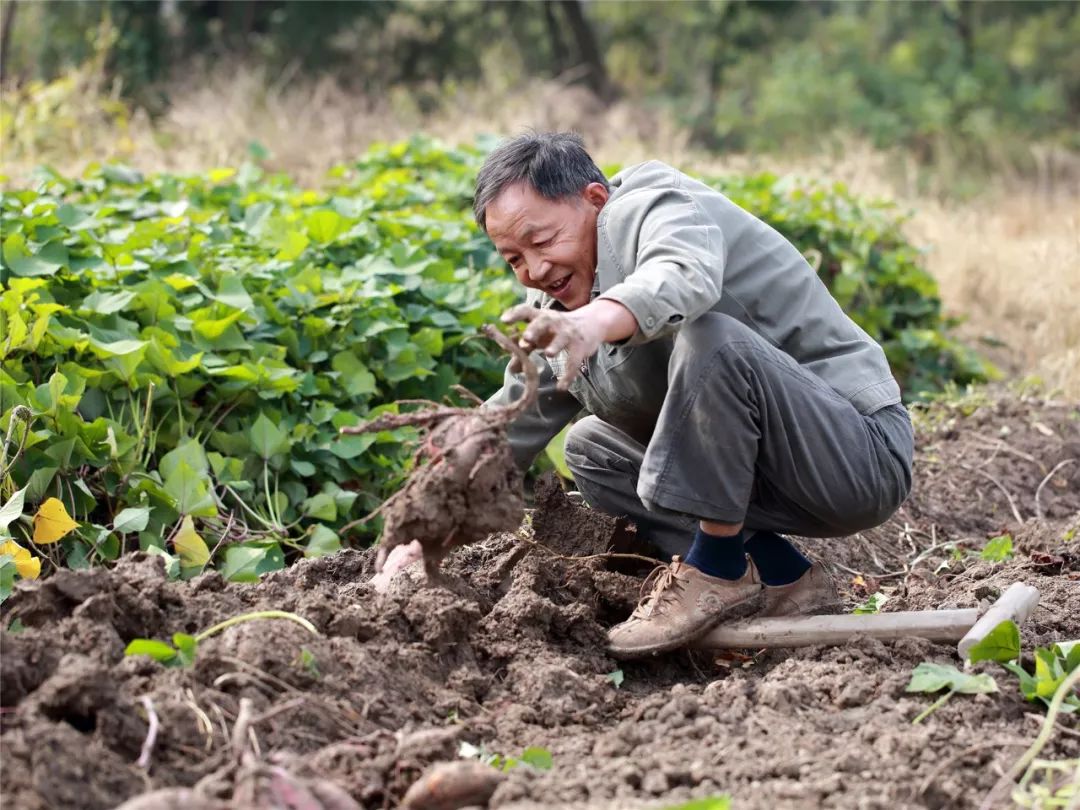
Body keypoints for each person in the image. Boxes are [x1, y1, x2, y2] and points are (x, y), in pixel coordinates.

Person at [478, 132, 914, 659]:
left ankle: (716, 567)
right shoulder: (559, 296)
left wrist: (596, 320)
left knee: (714, 338)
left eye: (542, 241)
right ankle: (786, 580)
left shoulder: (656, 207)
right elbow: (516, 414)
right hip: (766, 475)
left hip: (855, 456)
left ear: (594, 199)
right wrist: (424, 519)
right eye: (513, 258)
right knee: (590, 448)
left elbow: (683, 275)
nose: (535, 269)